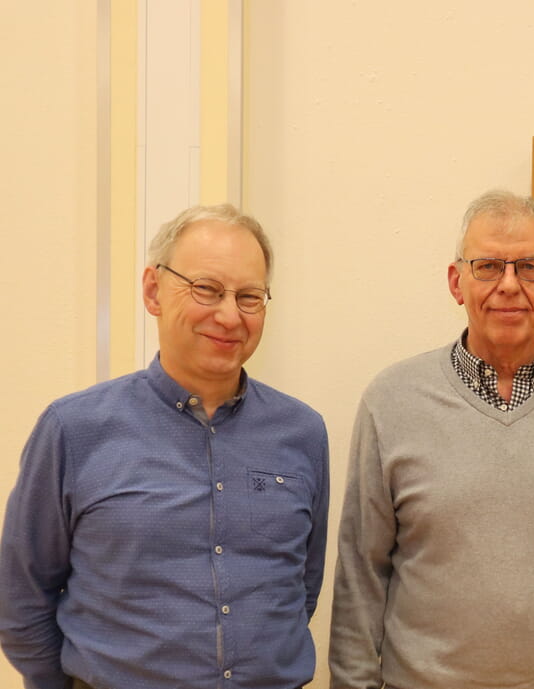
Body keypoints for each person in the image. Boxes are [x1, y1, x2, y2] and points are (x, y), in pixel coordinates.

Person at [329, 190, 534, 689]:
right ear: (456, 282)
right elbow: (361, 576)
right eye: (487, 266)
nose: (509, 285)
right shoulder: (391, 401)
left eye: (529, 267)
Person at [0, 204, 329, 689]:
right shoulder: (73, 429)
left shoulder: (302, 432)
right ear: (153, 290)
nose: (229, 315)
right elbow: (22, 599)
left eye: (249, 297)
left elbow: (302, 587)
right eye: (206, 289)